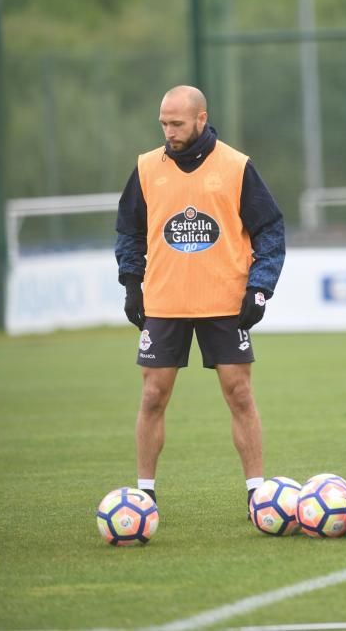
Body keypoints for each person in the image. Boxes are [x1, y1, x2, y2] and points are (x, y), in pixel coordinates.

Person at [115, 85, 285, 514]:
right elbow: (129, 230)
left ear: (201, 120)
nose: (169, 132)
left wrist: (260, 287)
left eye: (177, 124)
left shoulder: (236, 166)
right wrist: (132, 281)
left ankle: (257, 493)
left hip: (225, 301)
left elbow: (270, 231)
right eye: (164, 124)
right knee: (153, 395)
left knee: (239, 392)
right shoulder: (146, 168)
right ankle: (145, 494)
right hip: (165, 302)